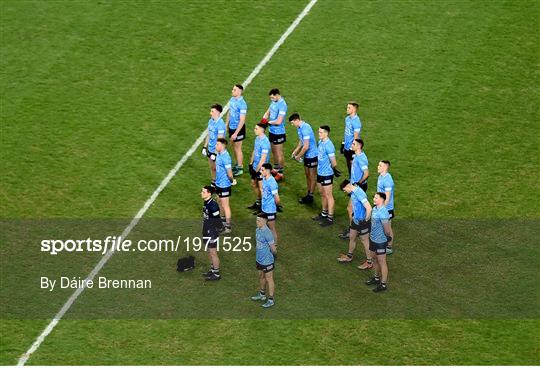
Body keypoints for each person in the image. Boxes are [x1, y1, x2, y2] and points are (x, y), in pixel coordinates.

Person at [339, 138, 369, 240]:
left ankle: (354, 230)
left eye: (353, 144)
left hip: (358, 187)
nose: (351, 145)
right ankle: (358, 229)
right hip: (355, 186)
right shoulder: (356, 155)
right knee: (356, 209)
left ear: (359, 146)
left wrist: (358, 184)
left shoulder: (361, 158)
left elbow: (366, 174)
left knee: (350, 208)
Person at [337, 181, 372, 266]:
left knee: (365, 241)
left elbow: (369, 208)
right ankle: (349, 256)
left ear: (347, 186)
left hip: (362, 222)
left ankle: (369, 262)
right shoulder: (353, 192)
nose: (345, 192)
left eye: (344, 190)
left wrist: (365, 220)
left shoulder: (359, 193)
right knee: (352, 237)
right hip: (355, 220)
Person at [312, 125, 341, 227]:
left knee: (329, 195)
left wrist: (334, 169)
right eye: (318, 132)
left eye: (320, 132)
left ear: (326, 133)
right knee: (322, 193)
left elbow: (333, 161)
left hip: (327, 174)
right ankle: (324, 213)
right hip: (320, 173)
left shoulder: (329, 145)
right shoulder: (320, 142)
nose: (318, 134)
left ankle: (330, 217)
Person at [364, 192, 392, 292]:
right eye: (374, 197)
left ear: (382, 200)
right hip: (373, 239)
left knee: (382, 261)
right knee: (374, 259)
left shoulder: (383, 212)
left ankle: (383, 284)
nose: (374, 199)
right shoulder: (375, 209)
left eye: (376, 198)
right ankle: (376, 278)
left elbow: (387, 229)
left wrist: (387, 237)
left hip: (380, 241)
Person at [289, 113, 318, 205]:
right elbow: (301, 142)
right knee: (307, 175)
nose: (292, 125)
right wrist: (295, 151)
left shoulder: (306, 128)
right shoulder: (299, 128)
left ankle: (310, 196)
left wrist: (298, 156)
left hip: (312, 155)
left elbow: (306, 146)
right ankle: (308, 193)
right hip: (307, 155)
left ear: (297, 120)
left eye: (292, 123)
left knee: (312, 176)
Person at [250, 214, 277, 308]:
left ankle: (271, 299)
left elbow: (273, 248)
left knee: (269, 278)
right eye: (256, 220)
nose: (257, 222)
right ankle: (262, 295)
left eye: (259, 221)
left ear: (264, 221)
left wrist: (274, 258)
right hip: (259, 259)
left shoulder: (268, 233)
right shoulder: (257, 230)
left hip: (268, 261)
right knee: (261, 276)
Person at [262, 88, 287, 178]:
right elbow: (268, 111)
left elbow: (279, 121)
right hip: (272, 131)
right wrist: (264, 117)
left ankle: (280, 172)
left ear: (277, 95)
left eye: (272, 97)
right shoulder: (274, 102)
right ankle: (276, 168)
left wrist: (268, 122)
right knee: (273, 151)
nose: (271, 99)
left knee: (279, 152)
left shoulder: (282, 105)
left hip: (279, 132)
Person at [247, 123, 271, 212]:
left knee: (262, 188)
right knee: (254, 184)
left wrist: (256, 171)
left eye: (256, 128)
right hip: (255, 166)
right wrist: (250, 163)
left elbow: (263, 159)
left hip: (261, 169)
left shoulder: (265, 142)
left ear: (262, 130)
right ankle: (258, 203)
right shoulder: (257, 138)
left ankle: (263, 207)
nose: (254, 130)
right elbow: (255, 150)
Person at [200, 185, 222, 281]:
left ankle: (216, 274)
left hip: (212, 232)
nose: (201, 193)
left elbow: (217, 220)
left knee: (213, 252)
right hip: (207, 230)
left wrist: (219, 229)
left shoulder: (213, 206)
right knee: (209, 251)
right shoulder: (206, 202)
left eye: (203, 192)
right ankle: (212, 270)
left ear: (209, 193)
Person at [214, 138, 236, 234]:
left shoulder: (226, 158)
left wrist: (232, 181)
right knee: (219, 201)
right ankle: (222, 221)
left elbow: (230, 174)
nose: (216, 146)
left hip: (224, 185)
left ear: (223, 146)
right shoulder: (219, 154)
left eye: (217, 144)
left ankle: (228, 227)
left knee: (225, 205)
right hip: (218, 183)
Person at [226, 84, 247, 177]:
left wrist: (235, 133)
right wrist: (226, 124)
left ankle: (240, 168)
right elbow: (229, 112)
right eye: (232, 89)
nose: (232, 91)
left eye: (234, 90)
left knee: (238, 148)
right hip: (231, 127)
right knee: (234, 147)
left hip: (239, 129)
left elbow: (242, 120)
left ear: (239, 92)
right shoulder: (232, 100)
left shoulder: (242, 104)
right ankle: (237, 165)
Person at [202, 104, 226, 185]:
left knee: (218, 168)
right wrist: (205, 147)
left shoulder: (221, 125)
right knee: (212, 167)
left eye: (212, 111)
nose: (210, 113)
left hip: (217, 150)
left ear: (218, 112)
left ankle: (224, 181)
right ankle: (214, 181)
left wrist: (215, 153)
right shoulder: (210, 121)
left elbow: (220, 140)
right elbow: (209, 134)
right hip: (210, 148)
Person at [377, 160, 395, 254]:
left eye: (380, 165)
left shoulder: (388, 181)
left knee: (387, 228)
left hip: (387, 208)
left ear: (385, 167)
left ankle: (389, 247)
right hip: (381, 206)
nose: (378, 167)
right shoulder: (381, 176)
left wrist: (381, 209)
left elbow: (387, 198)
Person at [259, 163, 280, 246]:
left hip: (270, 209)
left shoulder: (272, 183)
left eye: (262, 170)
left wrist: (276, 207)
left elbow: (277, 199)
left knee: (272, 229)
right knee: (263, 226)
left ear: (267, 171)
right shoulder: (264, 178)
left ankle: (274, 246)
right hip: (264, 208)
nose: (261, 171)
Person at [340, 101, 362, 176]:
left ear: (354, 109)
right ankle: (351, 178)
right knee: (348, 164)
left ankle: (355, 181)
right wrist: (343, 144)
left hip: (352, 148)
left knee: (353, 166)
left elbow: (356, 137)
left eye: (349, 108)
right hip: (346, 146)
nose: (347, 109)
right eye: (347, 107)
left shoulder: (356, 122)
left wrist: (352, 149)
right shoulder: (347, 119)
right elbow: (346, 132)